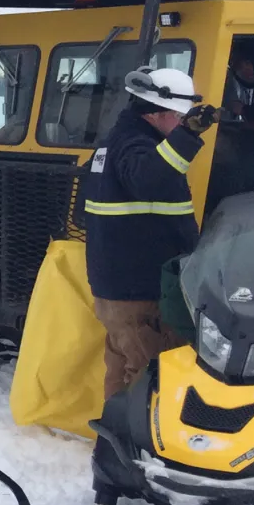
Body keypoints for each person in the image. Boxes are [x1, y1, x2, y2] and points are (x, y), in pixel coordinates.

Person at [83, 65, 217, 400]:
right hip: (138, 293)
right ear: (158, 113)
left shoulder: (114, 143)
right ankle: (140, 448)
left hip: (120, 289)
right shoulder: (134, 145)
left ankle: (112, 444)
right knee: (149, 376)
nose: (181, 125)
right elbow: (149, 179)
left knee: (122, 370)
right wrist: (188, 136)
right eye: (178, 118)